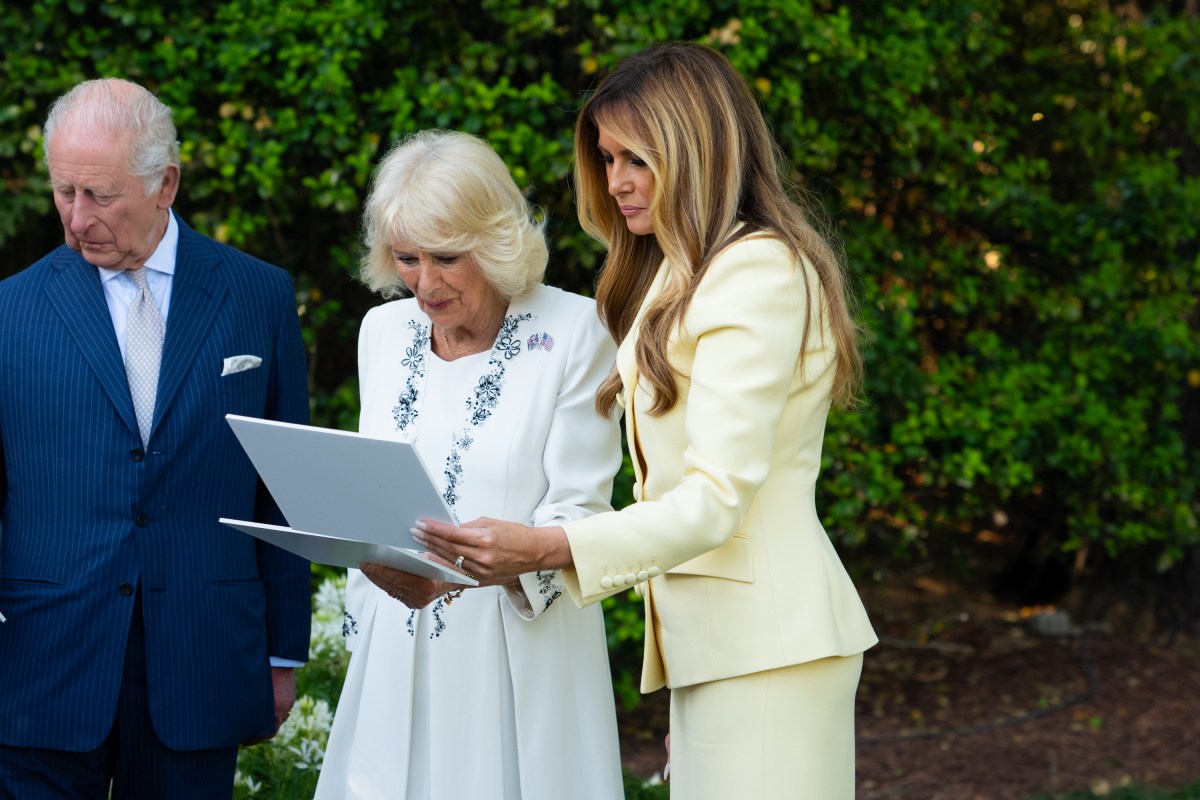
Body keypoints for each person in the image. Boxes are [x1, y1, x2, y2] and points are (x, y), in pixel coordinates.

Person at [413, 42, 880, 798]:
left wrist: (544, 546)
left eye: (637, 158)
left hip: (768, 651)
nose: (615, 182)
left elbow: (714, 500)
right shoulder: (682, 271)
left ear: (697, 149)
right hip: (724, 652)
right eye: (606, 158)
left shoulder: (755, 271)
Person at [0, 78, 311, 799]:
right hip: (40, 665)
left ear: (165, 182)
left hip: (202, 657)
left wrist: (281, 651)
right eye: (63, 192)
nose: (77, 220)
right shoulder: (9, 311)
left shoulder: (258, 294)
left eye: (99, 196)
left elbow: (283, 487)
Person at [313, 130, 625, 800]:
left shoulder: (577, 331)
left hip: (518, 653)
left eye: (448, 258)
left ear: (496, 242)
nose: (425, 283)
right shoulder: (382, 334)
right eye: (407, 258)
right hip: (395, 652)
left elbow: (583, 511)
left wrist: (501, 566)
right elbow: (372, 492)